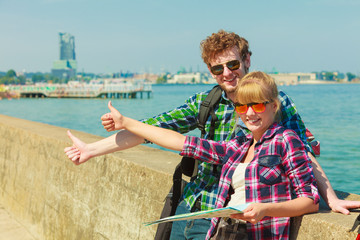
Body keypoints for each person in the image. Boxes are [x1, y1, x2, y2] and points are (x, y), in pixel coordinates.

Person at [64, 30, 360, 239]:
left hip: (234, 220)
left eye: (232, 64)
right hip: (194, 207)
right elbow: (155, 132)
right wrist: (91, 150)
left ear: (247, 60)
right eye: (217, 68)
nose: (227, 73)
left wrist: (329, 196)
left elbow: (302, 154)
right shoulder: (209, 106)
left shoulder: (276, 104)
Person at [98, 71, 320, 240]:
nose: (250, 113)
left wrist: (265, 209)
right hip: (226, 232)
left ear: (273, 106)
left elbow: (309, 201)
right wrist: (126, 122)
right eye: (242, 108)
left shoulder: (286, 140)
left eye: (258, 105)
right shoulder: (238, 145)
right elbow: (184, 143)